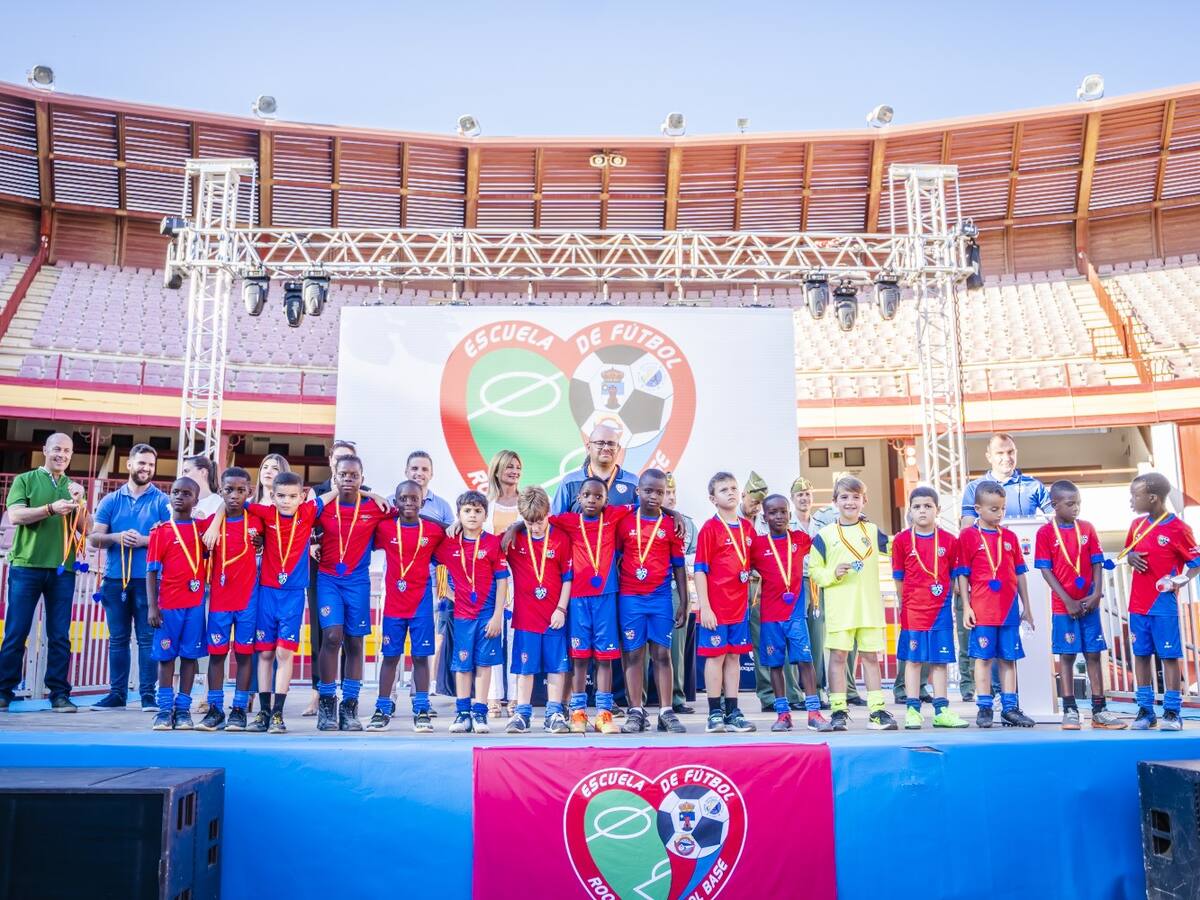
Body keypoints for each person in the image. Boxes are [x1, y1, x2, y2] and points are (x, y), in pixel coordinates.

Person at [228, 472, 330, 734]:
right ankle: (263, 711)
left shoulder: (308, 512)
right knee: (264, 652)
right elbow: (232, 501)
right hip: (267, 592)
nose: (287, 501)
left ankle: (278, 713)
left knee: (285, 652)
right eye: (281, 496)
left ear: (303, 496)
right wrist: (218, 518)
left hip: (293, 595)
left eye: (293, 496)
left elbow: (336, 491)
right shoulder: (264, 512)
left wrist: (370, 494)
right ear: (272, 495)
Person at [958, 433, 1051, 701]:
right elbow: (967, 525)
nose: (1006, 458)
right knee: (983, 650)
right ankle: (987, 698)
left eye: (1010, 452)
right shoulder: (974, 487)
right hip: (983, 579)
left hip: (1024, 570)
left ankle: (1022, 698)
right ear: (988, 456)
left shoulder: (1033, 486)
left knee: (1012, 648)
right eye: (1000, 453)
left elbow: (1049, 523)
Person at [1033, 480, 1125, 730]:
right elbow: (1046, 570)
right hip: (1065, 606)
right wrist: (1068, 600)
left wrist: (1096, 594)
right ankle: (1070, 709)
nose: (1076, 508)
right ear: (1054, 505)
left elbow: (1097, 562)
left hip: (1089, 605)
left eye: (1079, 503)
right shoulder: (1045, 533)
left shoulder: (1087, 528)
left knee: (1094, 654)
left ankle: (1099, 710)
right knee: (1067, 655)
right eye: (1070, 503)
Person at [0, 433, 81, 712]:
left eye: (67, 451)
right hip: (26, 565)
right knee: (15, 632)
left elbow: (88, 529)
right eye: (57, 448)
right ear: (45, 450)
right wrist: (50, 509)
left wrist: (79, 503)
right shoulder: (25, 480)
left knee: (59, 635)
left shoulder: (73, 487)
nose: (62, 454)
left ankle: (59, 693)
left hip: (63, 569)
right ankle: (3, 691)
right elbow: (16, 516)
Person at [809, 475, 895, 731]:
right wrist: (832, 574)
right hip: (840, 608)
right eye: (844, 497)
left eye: (855, 497)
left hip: (868, 607)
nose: (850, 502)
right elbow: (814, 570)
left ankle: (877, 710)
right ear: (834, 502)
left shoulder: (872, 531)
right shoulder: (824, 536)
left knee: (870, 657)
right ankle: (838, 710)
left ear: (864, 501)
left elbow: (894, 549)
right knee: (837, 657)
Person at [312, 455, 390, 732]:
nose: (348, 479)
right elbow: (299, 517)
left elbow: (405, 511)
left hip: (358, 582)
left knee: (355, 643)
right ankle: (327, 703)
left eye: (353, 476)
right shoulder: (323, 507)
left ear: (361, 478)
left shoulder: (374, 507)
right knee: (332, 636)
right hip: (329, 579)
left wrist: (371, 494)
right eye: (343, 474)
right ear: (334, 476)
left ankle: (350, 708)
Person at [90, 443, 171, 711]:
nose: (146, 468)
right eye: (141, 463)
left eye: (150, 464)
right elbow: (94, 538)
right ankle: (117, 694)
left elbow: (172, 539)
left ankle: (148, 694)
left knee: (148, 638)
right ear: (129, 465)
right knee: (118, 638)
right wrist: (116, 537)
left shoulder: (162, 501)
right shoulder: (110, 500)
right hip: (115, 580)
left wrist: (146, 540)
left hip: (149, 581)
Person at [1120, 472, 1200, 732]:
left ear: (1152, 498)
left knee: (1169, 656)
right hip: (1137, 605)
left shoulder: (1179, 528)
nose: (1131, 500)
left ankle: (1172, 712)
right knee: (1141, 656)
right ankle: (1145, 711)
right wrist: (1131, 557)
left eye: (1136, 495)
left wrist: (1180, 581)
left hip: (1162, 605)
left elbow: (1196, 562)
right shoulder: (1137, 525)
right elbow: (1129, 552)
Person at [954, 481, 1035, 728]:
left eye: (1002, 509)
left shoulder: (1009, 537)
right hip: (982, 609)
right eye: (993, 509)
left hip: (1008, 609)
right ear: (978, 508)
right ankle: (984, 706)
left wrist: (1027, 607)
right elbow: (962, 574)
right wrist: (967, 606)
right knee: (983, 659)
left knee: (1008, 659)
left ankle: (1010, 708)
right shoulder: (968, 536)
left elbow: (1020, 573)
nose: (999, 514)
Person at [370, 480, 447, 732]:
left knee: (421, 657)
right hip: (394, 604)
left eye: (414, 498)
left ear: (422, 502)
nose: (409, 503)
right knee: (390, 656)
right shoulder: (385, 528)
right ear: (396, 501)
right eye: (403, 498)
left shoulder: (433, 531)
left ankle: (422, 708)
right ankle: (382, 707)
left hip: (421, 604)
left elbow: (456, 533)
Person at [750, 494, 831, 732]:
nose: (779, 516)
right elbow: (741, 564)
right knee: (775, 665)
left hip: (795, 614)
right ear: (764, 518)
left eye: (783, 511)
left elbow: (825, 544)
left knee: (806, 661)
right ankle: (783, 714)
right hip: (770, 617)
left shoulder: (800, 538)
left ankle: (814, 713)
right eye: (773, 512)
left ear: (789, 513)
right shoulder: (758, 545)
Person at [615, 469, 688, 734]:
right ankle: (636, 710)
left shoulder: (672, 525)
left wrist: (685, 602)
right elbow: (616, 559)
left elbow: (679, 567)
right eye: (648, 491)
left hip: (660, 597)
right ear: (638, 491)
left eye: (660, 492)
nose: (654, 496)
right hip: (630, 597)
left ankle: (666, 711)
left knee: (662, 654)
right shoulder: (623, 521)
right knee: (633, 653)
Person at [890, 488, 969, 729]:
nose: (922, 510)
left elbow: (957, 577)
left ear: (938, 509)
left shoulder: (949, 540)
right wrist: (904, 603)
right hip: (913, 611)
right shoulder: (902, 541)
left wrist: (963, 604)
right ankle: (913, 710)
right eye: (917, 507)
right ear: (910, 511)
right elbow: (899, 578)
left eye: (927, 506)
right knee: (913, 661)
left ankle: (942, 710)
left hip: (940, 610)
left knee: (939, 661)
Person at [435, 491, 509, 734]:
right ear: (459, 514)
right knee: (462, 665)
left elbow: (501, 581)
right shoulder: (448, 543)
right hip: (462, 616)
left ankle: (480, 713)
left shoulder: (492, 543)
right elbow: (437, 563)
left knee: (484, 665)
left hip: (488, 615)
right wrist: (451, 596)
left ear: (485, 515)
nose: (473, 515)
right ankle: (462, 713)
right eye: (467, 511)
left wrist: (498, 614)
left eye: (478, 511)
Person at [196, 468, 262, 732]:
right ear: (220, 490)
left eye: (240, 490)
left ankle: (238, 709)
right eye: (228, 490)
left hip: (248, 600)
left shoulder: (258, 521)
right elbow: (187, 530)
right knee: (217, 656)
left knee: (244, 655)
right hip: (220, 601)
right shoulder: (210, 522)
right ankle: (215, 709)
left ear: (250, 491)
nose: (234, 495)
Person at [503, 486, 572, 734]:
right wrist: (514, 528)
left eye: (540, 521)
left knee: (556, 667)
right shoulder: (514, 538)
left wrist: (561, 609)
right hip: (525, 618)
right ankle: (522, 714)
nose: (535, 527)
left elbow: (567, 578)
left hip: (553, 616)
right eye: (529, 522)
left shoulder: (561, 538)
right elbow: (490, 548)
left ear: (549, 512)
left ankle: (554, 713)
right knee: (525, 669)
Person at [695, 471, 757, 734]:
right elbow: (700, 570)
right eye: (724, 490)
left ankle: (733, 711)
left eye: (734, 487)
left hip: (739, 607)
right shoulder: (710, 529)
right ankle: (714, 713)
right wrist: (705, 607)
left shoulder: (747, 528)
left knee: (734, 657)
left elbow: (752, 564)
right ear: (712, 498)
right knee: (716, 657)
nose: (731, 492)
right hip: (716, 609)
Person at [147, 477, 207, 731]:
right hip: (168, 605)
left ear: (196, 499)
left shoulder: (202, 529)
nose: (179, 497)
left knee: (190, 657)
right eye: (175, 492)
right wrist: (152, 606)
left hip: (194, 605)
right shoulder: (160, 531)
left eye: (186, 493)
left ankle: (183, 709)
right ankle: (163, 709)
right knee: (166, 656)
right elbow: (151, 572)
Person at [303, 441, 357, 717]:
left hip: (351, 576)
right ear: (331, 463)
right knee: (322, 633)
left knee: (351, 637)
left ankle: (349, 698)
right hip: (321, 571)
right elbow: (303, 525)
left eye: (350, 462)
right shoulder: (319, 493)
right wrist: (311, 545)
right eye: (339, 461)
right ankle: (319, 693)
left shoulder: (364, 497)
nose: (345, 469)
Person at [742, 472, 802, 713]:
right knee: (760, 646)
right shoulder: (732, 519)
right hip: (741, 587)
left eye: (760, 503)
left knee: (780, 642)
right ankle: (768, 695)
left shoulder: (768, 521)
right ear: (744, 496)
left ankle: (790, 693)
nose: (756, 507)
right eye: (753, 502)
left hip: (769, 588)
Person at [484, 449, 523, 718]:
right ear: (497, 470)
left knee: (516, 636)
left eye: (517, 467)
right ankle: (492, 696)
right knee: (493, 634)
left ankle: (516, 698)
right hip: (491, 575)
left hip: (521, 576)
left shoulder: (528, 501)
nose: (514, 471)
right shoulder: (486, 502)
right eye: (508, 466)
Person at [551, 424, 640, 514]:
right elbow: (555, 522)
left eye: (611, 444)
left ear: (618, 448)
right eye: (600, 443)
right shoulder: (569, 482)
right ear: (588, 447)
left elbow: (643, 522)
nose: (606, 448)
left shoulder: (634, 483)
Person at [665, 473, 697, 714]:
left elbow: (694, 557)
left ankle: (677, 696)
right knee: (642, 650)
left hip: (677, 588)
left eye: (673, 492)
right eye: (666, 492)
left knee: (676, 645)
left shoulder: (687, 523)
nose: (671, 497)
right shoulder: (639, 521)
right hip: (648, 589)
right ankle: (641, 699)